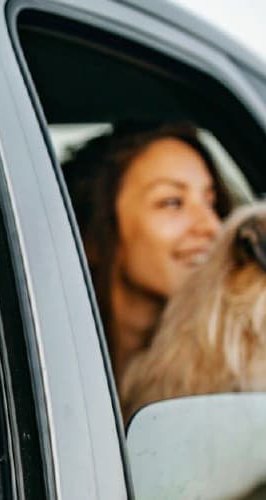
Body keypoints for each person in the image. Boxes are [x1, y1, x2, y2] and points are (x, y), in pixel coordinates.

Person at [61, 121, 233, 381]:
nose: (213, 227)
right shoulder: (49, 371)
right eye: (172, 202)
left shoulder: (232, 375)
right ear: (91, 234)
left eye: (211, 203)